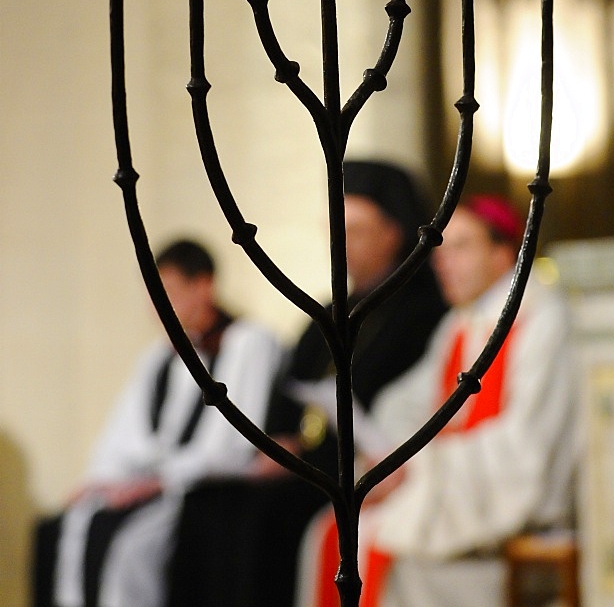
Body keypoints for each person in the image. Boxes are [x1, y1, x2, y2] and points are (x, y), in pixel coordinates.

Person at [167, 160, 447, 607]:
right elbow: (287, 393)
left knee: (265, 520)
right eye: (335, 229)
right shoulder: (326, 315)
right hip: (300, 467)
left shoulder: (426, 313)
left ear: (393, 233)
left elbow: (403, 409)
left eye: (355, 230)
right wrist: (281, 442)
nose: (341, 243)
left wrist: (309, 452)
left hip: (359, 472)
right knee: (209, 503)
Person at [297, 194, 580, 607]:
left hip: (504, 492)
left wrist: (414, 466)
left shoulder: (542, 319)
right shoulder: (460, 323)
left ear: (503, 253)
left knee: (381, 546)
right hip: (457, 478)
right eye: (441, 250)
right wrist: (388, 453)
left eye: (462, 247)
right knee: (331, 534)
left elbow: (530, 442)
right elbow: (406, 403)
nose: (443, 262)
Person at [32, 239, 283, 607]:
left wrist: (158, 480)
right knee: (75, 524)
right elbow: (124, 435)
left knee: (128, 553)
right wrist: (102, 480)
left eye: (167, 293)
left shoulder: (249, 343)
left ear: (203, 286)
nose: (156, 308)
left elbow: (234, 442)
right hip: (150, 481)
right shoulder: (157, 357)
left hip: (198, 488)